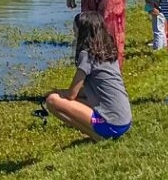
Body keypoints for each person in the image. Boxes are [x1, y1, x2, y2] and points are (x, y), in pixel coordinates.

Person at [42, 11, 132, 140]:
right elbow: (84, 92)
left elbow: (72, 93)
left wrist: (56, 92)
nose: (73, 31)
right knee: (76, 99)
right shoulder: (108, 50)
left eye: (75, 29)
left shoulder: (87, 55)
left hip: (109, 124)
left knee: (52, 100)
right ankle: (98, 132)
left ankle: (96, 136)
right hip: (124, 121)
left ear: (83, 32)